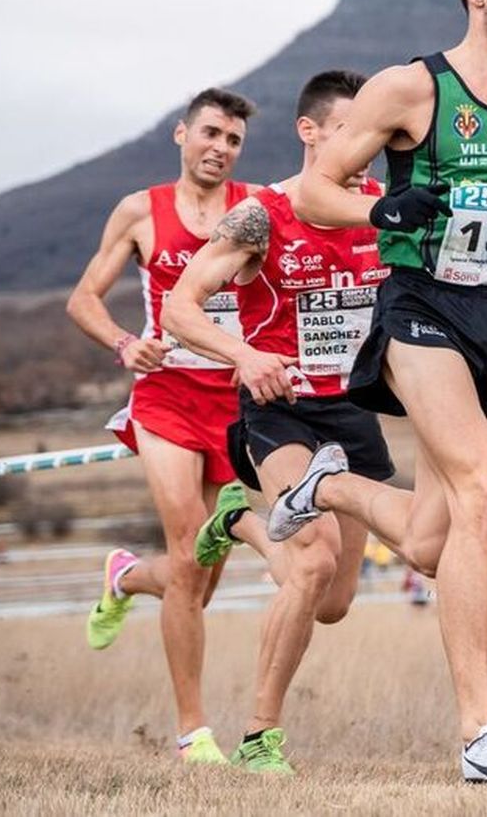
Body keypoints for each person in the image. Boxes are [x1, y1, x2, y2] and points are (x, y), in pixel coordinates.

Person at [265, 0, 487, 784]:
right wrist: (381, 214)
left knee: (431, 534)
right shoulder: (413, 89)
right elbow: (315, 187)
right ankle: (482, 732)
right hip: (422, 310)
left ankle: (327, 485)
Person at [158, 70, 396, 774]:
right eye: (352, 132)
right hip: (280, 408)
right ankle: (261, 736)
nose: (366, 150)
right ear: (311, 132)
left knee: (335, 600)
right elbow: (179, 307)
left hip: (354, 411)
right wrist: (243, 352)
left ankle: (239, 520)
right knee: (314, 559)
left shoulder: (383, 209)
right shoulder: (261, 215)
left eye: (376, 137)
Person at [66, 86, 257, 763]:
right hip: (166, 395)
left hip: (234, 405)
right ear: (181, 134)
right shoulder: (140, 210)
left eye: (232, 140)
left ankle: (122, 574)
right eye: (209, 133)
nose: (219, 148)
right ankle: (192, 730)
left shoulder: (255, 208)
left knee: (202, 576)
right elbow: (83, 297)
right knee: (186, 550)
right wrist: (124, 343)